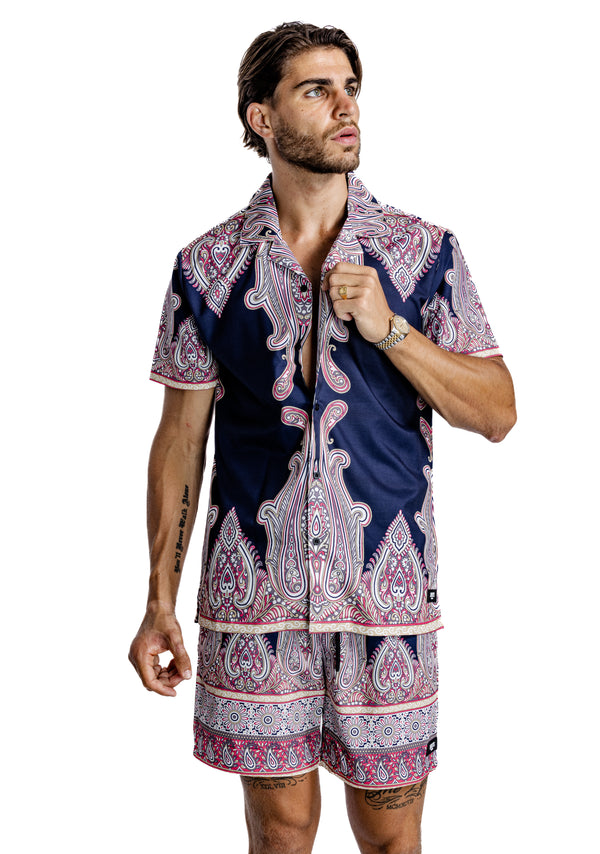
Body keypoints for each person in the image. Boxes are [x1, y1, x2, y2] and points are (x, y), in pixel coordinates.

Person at [129, 21, 516, 854]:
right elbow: (179, 441)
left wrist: (391, 330)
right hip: (255, 599)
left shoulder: (424, 254)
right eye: (317, 90)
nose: (347, 107)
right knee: (280, 833)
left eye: (351, 88)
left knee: (390, 837)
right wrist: (159, 601)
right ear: (262, 117)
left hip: (385, 598)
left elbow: (496, 412)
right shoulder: (207, 268)